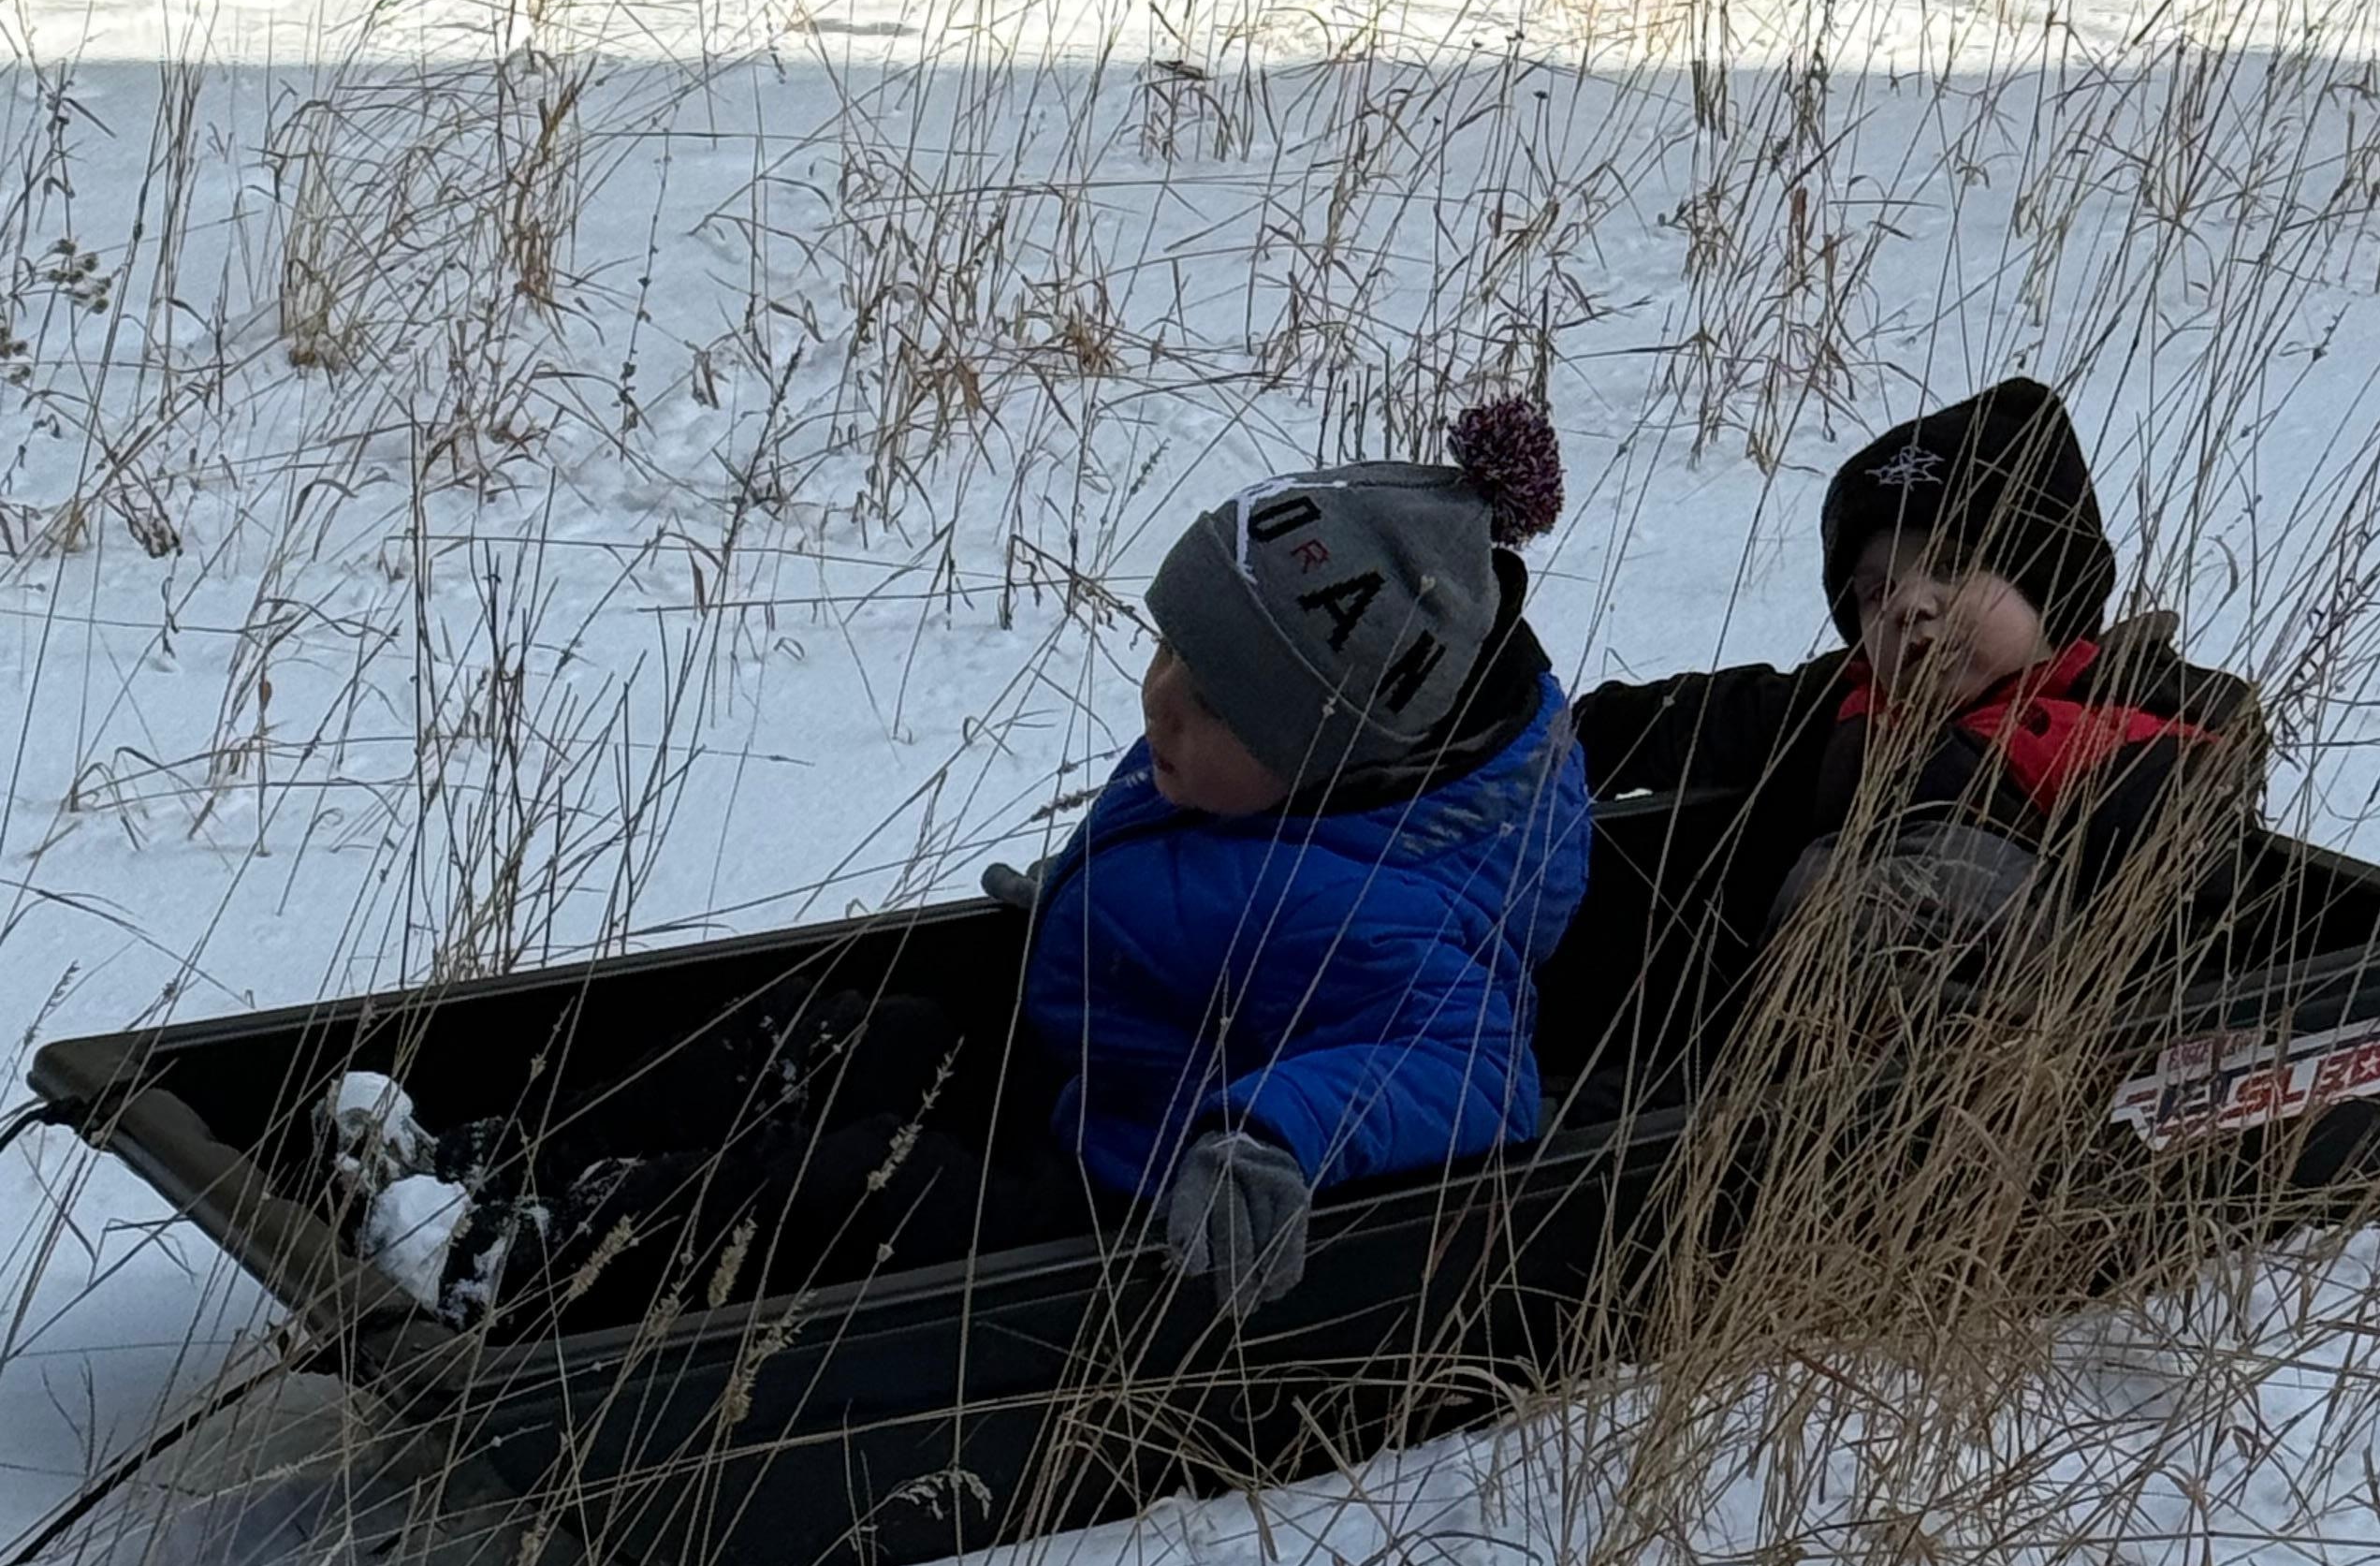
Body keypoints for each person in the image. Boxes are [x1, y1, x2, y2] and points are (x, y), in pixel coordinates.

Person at [330, 401, 1593, 1328]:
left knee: (865, 1187)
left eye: (1212, 707)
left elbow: (1473, 1071)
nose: (1162, 708)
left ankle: (536, 1267)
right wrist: (1086, 913)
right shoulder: (1248, 771)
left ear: (1322, 762)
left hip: (1132, 1195)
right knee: (843, 1039)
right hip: (1073, 1072)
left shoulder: (1403, 909)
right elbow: (1211, 877)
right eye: (1169, 658)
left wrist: (1275, 1134)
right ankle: (502, 1160)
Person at [1573, 378, 2262, 995]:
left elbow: (2194, 888)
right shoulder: (1850, 700)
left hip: (2007, 1047)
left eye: (1954, 567)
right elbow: (1702, 721)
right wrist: (1566, 734)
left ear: (2048, 588)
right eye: (1878, 593)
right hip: (1812, 1025)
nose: (1910, 606)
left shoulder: (2129, 729)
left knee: (1940, 876)